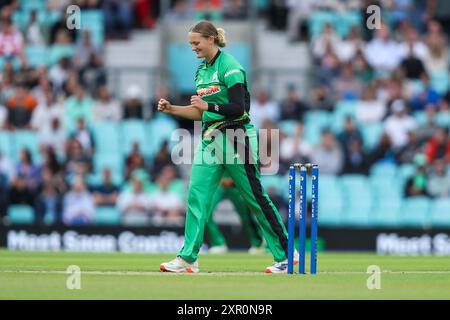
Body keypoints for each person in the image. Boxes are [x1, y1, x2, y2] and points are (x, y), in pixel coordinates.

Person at [158, 21, 295, 273]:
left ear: (211, 39)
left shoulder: (230, 66)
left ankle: (287, 254)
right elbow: (202, 113)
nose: (193, 48)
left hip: (236, 137)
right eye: (190, 44)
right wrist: (173, 109)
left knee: (254, 198)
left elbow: (239, 107)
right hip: (210, 139)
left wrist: (207, 107)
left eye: (196, 43)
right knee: (196, 196)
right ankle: (188, 257)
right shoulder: (201, 71)